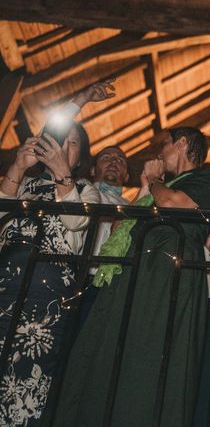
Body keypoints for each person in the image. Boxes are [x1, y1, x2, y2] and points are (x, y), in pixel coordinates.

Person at [53, 127, 210, 427]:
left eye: (165, 144)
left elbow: (174, 204)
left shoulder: (205, 180)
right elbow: (120, 229)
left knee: (154, 361)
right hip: (137, 277)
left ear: (182, 144)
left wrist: (156, 181)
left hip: (170, 279)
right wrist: (146, 187)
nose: (160, 152)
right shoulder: (156, 188)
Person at [0, 119, 99, 426]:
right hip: (5, 288)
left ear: (80, 157)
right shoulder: (24, 186)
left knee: (30, 377)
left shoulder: (85, 189)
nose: (62, 148)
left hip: (47, 303)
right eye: (59, 141)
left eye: (72, 143)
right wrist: (17, 167)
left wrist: (62, 175)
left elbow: (75, 224)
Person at [76, 145, 130, 324]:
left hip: (114, 283)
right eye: (106, 157)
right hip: (81, 276)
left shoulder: (134, 206)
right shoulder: (81, 191)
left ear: (127, 175)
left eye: (121, 160)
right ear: (92, 170)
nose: (114, 162)